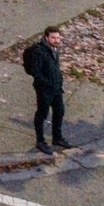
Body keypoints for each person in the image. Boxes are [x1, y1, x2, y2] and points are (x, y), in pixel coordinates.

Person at [22, 26, 69, 154]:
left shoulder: (54, 49)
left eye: (58, 37)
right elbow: (35, 72)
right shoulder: (39, 52)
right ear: (46, 37)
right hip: (44, 89)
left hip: (56, 88)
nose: (56, 40)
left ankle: (57, 138)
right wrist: (47, 83)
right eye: (53, 38)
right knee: (42, 113)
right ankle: (40, 141)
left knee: (59, 111)